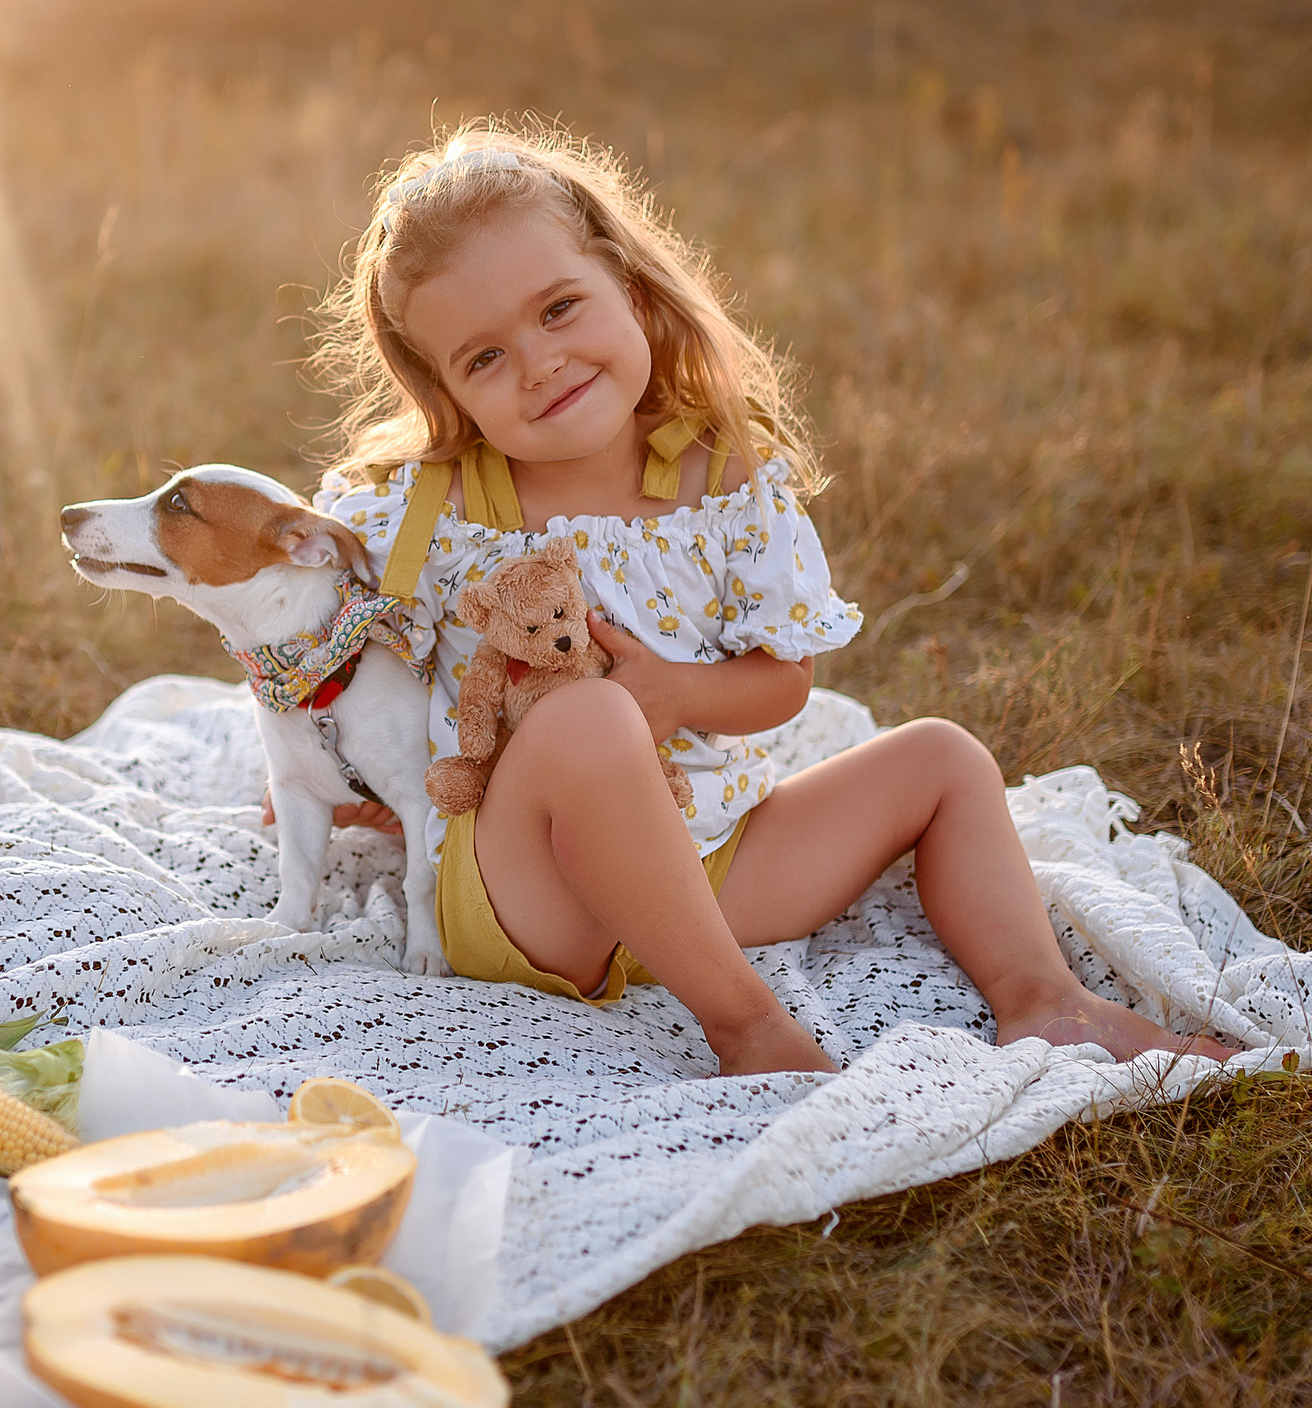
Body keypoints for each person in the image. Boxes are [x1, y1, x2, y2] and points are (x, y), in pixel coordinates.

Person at [310, 123, 1226, 1075]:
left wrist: (679, 694)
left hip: (712, 864)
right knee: (585, 722)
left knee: (943, 758)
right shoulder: (429, 508)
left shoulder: (721, 477)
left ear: (625, 285)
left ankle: (1043, 1000)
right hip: (531, 900)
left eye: (558, 309)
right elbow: (317, 652)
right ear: (446, 391)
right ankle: (748, 1026)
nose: (538, 362)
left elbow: (783, 681)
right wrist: (338, 772)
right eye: (484, 358)